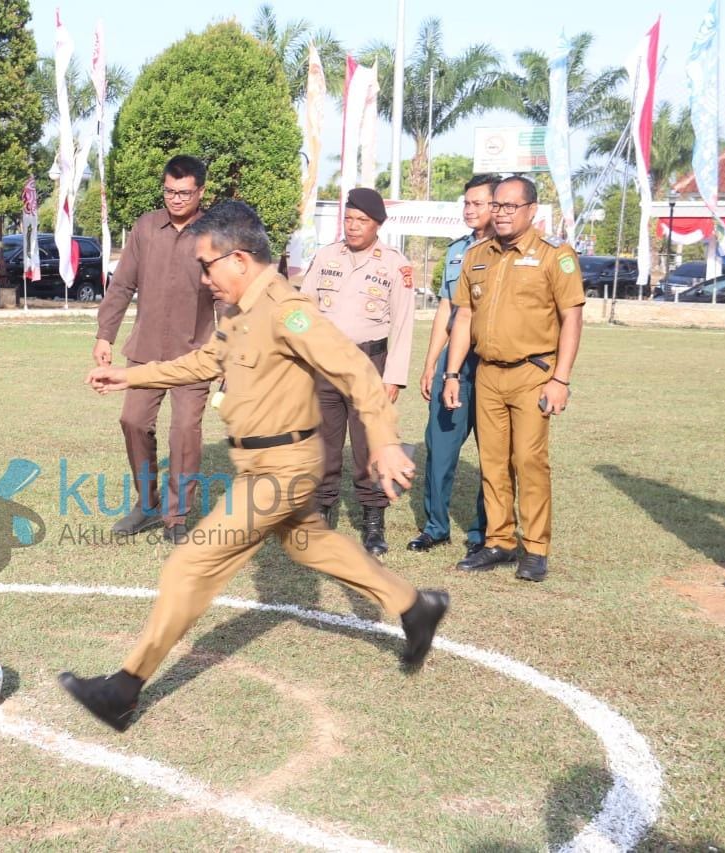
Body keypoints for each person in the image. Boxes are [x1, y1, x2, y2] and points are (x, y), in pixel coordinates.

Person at [62, 201, 449, 731]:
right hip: (262, 462)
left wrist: (382, 442)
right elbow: (205, 362)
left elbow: (356, 369)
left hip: (282, 469)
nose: (203, 278)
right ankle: (415, 606)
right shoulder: (241, 311)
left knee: (189, 565)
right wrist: (131, 378)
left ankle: (123, 690)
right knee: (309, 543)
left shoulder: (288, 310)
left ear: (238, 259)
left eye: (206, 265)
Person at [442, 176, 584, 582]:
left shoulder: (554, 256)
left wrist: (561, 379)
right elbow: (464, 316)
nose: (501, 214)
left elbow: (571, 317)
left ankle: (535, 548)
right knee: (492, 462)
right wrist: (453, 373)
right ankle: (499, 541)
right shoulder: (477, 255)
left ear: (531, 210)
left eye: (510, 207)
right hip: (487, 374)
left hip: (533, 374)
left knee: (528, 460)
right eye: (497, 206)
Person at [93, 155, 218, 542]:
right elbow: (122, 285)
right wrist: (104, 335)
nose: (176, 199)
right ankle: (146, 505)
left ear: (200, 191)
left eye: (184, 192)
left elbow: (227, 297)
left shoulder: (216, 233)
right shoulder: (146, 228)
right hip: (145, 351)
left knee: (183, 431)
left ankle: (176, 517)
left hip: (193, 353)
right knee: (132, 421)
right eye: (169, 191)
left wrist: (227, 348)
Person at [299, 188, 414, 555]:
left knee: (369, 445)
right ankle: (321, 510)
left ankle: (373, 521)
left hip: (370, 364)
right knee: (323, 442)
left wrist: (393, 376)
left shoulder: (395, 265)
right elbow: (304, 308)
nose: (353, 226)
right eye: (348, 219)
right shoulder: (327, 256)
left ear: (377, 225)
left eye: (361, 221)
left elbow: (403, 323)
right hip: (325, 363)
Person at [408, 175, 500, 556]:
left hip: (493, 359)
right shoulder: (457, 251)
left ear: (498, 206)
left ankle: (482, 532)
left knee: (492, 452)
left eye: (478, 203)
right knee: (440, 445)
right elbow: (447, 307)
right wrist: (431, 363)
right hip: (453, 362)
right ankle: (435, 527)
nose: (469, 209)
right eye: (466, 203)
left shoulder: (507, 253)